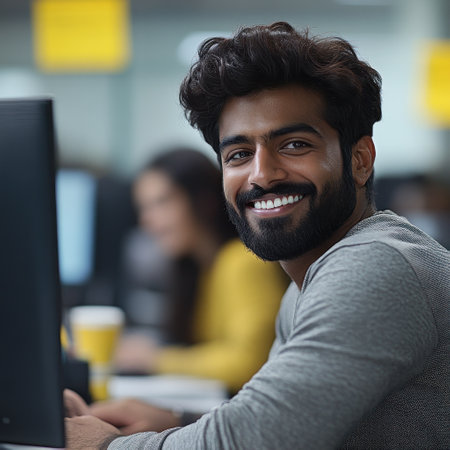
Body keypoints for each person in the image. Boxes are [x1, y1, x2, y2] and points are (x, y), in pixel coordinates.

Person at [65, 22, 450, 449]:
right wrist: (179, 419)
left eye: (294, 145)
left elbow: (257, 441)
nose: (262, 175)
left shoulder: (377, 265)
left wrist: (105, 446)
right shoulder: (305, 283)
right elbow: (288, 420)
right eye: (239, 154)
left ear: (360, 161)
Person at [114, 147, 288, 394]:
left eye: (161, 202)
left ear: (203, 200)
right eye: (143, 208)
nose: (147, 220)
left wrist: (154, 358)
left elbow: (249, 364)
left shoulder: (241, 261)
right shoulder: (199, 268)